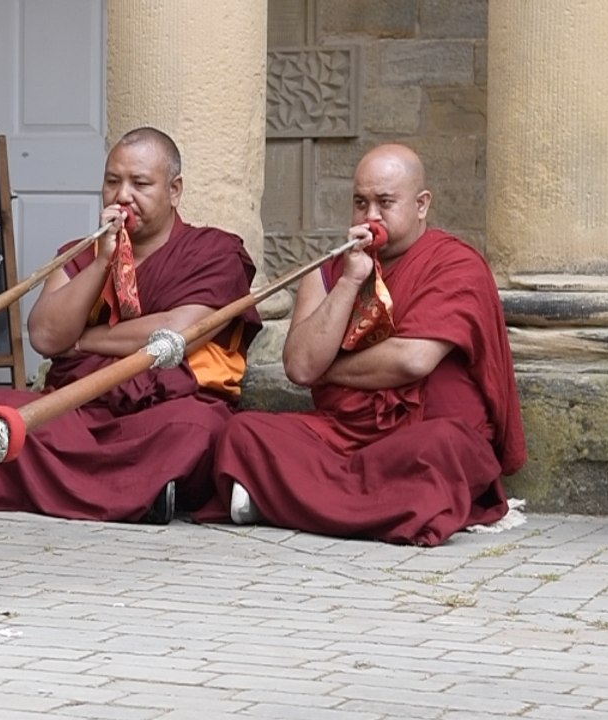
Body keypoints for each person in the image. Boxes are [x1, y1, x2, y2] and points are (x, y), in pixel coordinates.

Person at [195, 143, 527, 546]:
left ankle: (288, 500)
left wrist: (331, 368)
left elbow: (414, 359)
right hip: (342, 438)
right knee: (242, 434)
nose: (371, 216)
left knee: (444, 450)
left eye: (385, 202)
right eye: (360, 203)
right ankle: (378, 508)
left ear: (421, 205)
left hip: (419, 437)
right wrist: (351, 281)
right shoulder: (330, 272)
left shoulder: (455, 264)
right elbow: (300, 368)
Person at [0, 127, 262, 524]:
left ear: (175, 190)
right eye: (112, 182)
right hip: (78, 409)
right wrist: (101, 263)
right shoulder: (83, 253)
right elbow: (45, 335)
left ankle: (71, 488)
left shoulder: (215, 251)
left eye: (140, 183)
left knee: (199, 429)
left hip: (162, 410)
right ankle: (141, 494)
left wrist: (85, 341)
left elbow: (179, 330)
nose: (123, 195)